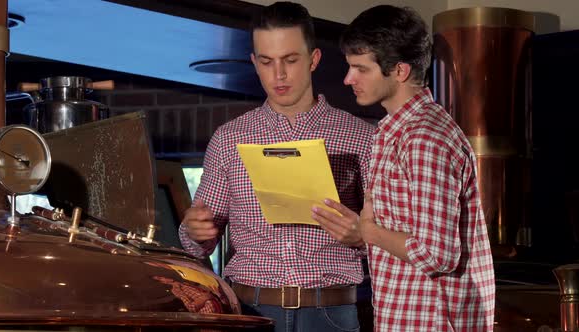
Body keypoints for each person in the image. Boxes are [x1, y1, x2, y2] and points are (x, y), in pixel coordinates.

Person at [179, 2, 374, 331]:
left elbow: (394, 243)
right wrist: (194, 230)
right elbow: (195, 241)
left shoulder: (362, 137)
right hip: (249, 310)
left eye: (290, 60)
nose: (278, 75)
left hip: (330, 312)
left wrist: (361, 236)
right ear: (255, 63)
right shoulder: (229, 139)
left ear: (313, 60)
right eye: (267, 62)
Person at [340, 5, 495, 331]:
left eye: (360, 69)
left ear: (400, 71)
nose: (348, 78)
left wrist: (369, 232)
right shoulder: (395, 131)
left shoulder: (424, 137)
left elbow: (438, 254)